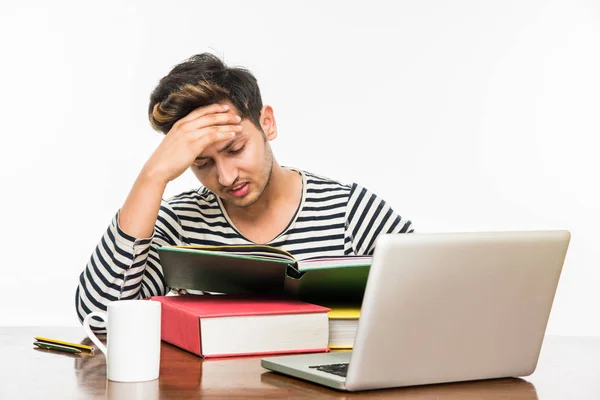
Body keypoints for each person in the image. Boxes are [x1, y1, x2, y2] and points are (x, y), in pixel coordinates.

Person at [76, 53, 414, 332]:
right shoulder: (179, 223)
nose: (225, 176)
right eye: (202, 163)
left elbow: (432, 298)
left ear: (267, 123)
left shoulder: (348, 211)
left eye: (235, 149)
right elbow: (102, 320)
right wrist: (152, 176)